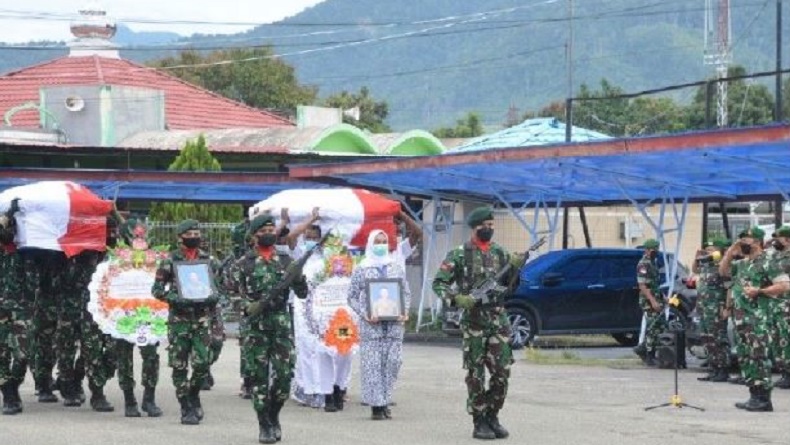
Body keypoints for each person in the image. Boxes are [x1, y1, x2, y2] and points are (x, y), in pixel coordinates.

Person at [432, 207, 514, 440]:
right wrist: (457, 298)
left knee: (502, 371)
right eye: (484, 225)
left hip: (498, 319)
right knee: (475, 373)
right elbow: (439, 284)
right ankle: (479, 420)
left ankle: (492, 415)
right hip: (474, 322)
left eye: (491, 225)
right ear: (475, 227)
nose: (489, 229)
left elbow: (511, 286)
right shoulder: (459, 254)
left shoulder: (500, 253)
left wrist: (517, 267)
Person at [234, 214, 308, 444]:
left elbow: (303, 293)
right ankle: (264, 424)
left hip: (281, 325)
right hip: (255, 328)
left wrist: (298, 276)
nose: (269, 233)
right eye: (264, 230)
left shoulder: (286, 262)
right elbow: (231, 294)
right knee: (258, 378)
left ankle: (274, 413)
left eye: (271, 229)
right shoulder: (243, 264)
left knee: (285, 376)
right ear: (255, 235)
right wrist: (247, 307)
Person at [152, 219, 221, 425]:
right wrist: (175, 298)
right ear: (180, 237)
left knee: (202, 363)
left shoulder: (209, 260)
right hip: (179, 321)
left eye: (196, 234)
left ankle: (193, 394)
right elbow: (156, 290)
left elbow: (221, 286)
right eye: (189, 234)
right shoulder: (170, 261)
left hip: (202, 320)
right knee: (179, 365)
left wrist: (213, 296)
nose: (194, 238)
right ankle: (185, 406)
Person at [721, 226, 787, 412]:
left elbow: (784, 285)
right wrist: (730, 251)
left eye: (746, 239)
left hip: (759, 320)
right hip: (742, 321)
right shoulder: (742, 264)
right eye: (741, 239)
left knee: (758, 357)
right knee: (746, 357)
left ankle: (764, 399)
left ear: (757, 242)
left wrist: (760, 291)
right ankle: (754, 396)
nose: (742, 242)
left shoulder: (769, 262)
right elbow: (723, 272)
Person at [348, 230, 410, 420]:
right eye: (377, 242)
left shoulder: (395, 267)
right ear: (370, 244)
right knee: (373, 366)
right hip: (371, 326)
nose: (381, 245)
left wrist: (404, 311)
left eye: (384, 241)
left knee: (393, 363)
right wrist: (365, 313)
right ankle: (377, 405)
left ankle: (385, 399)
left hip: (394, 327)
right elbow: (351, 296)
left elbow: (405, 293)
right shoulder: (362, 268)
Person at [114, 217, 163, 418]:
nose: (139, 238)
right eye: (135, 234)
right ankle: (129, 399)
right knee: (124, 358)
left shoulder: (156, 259)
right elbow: (106, 286)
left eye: (141, 234)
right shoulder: (113, 261)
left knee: (151, 356)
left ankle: (149, 399)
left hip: (148, 313)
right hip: (122, 314)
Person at [0, 216, 29, 415]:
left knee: (23, 353)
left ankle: (14, 384)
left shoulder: (25, 252)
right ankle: (8, 394)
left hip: (21, 308)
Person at [694, 238, 732, 382]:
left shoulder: (723, 266)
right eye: (708, 249)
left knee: (719, 338)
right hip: (704, 308)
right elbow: (694, 269)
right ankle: (714, 367)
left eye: (712, 249)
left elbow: (729, 288)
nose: (709, 252)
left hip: (716, 307)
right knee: (707, 338)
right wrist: (697, 256)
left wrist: (727, 308)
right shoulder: (706, 265)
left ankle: (723, 369)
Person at [632, 239, 666, 367]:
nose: (655, 252)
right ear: (647, 250)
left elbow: (654, 284)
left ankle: (645, 349)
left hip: (656, 297)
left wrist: (662, 297)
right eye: (653, 250)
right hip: (648, 300)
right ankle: (647, 352)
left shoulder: (653, 262)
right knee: (653, 326)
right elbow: (642, 285)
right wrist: (652, 301)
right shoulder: (643, 264)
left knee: (658, 326)